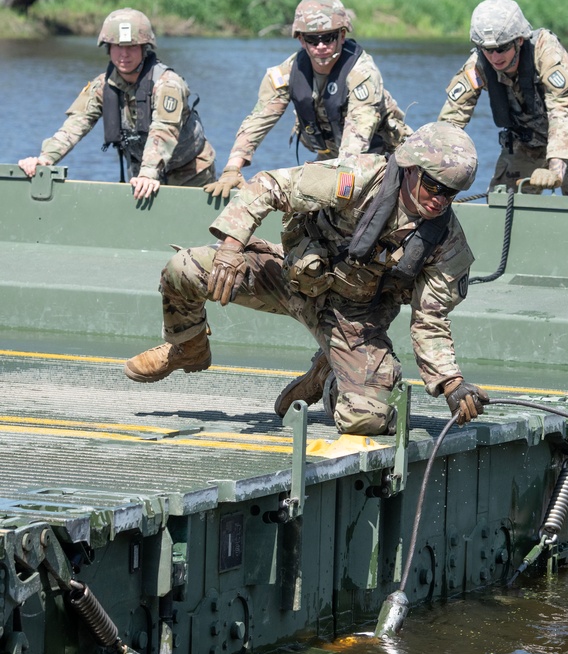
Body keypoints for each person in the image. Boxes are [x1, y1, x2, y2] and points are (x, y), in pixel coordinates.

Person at [123, 122, 489, 433]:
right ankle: (187, 346)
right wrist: (232, 247)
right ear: (410, 169)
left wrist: (450, 383)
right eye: (433, 186)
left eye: (451, 193)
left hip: (353, 319)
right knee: (184, 268)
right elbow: (268, 186)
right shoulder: (356, 179)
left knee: (367, 418)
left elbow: (431, 319)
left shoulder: (446, 244)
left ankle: (327, 376)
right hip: (290, 279)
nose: (440, 200)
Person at [204, 0, 411, 200]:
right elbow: (259, 119)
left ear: (341, 35)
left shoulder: (362, 74)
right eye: (313, 39)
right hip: (332, 157)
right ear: (301, 40)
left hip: (382, 157)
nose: (320, 46)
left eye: (328, 37)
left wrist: (343, 188)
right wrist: (233, 167)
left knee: (340, 200)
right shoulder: (288, 73)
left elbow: (358, 135)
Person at [18, 8, 215, 200]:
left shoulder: (168, 84)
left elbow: (164, 130)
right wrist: (46, 158)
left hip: (190, 172)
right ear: (108, 48)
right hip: (142, 174)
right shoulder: (102, 86)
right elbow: (75, 124)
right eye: (118, 46)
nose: (124, 54)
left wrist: (148, 173)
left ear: (144, 49)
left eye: (131, 47)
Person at [438, 0, 568, 196]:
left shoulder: (545, 51)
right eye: (487, 50)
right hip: (525, 142)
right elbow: (451, 119)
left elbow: (564, 110)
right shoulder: (479, 64)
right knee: (502, 204)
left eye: (502, 48)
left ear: (519, 40)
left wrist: (556, 169)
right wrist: (433, 165)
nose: (495, 57)